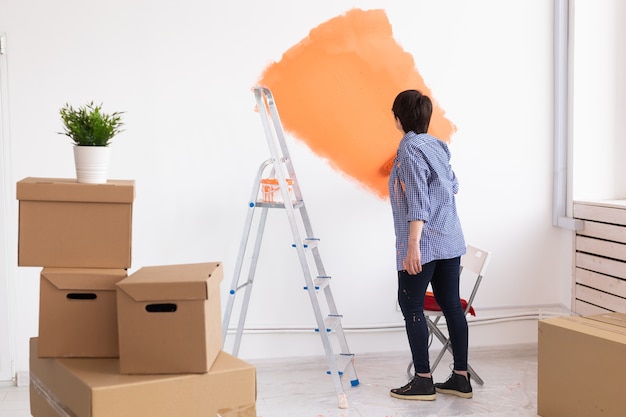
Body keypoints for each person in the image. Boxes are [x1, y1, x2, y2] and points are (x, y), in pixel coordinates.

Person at [387, 89, 471, 401]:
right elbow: (453, 185)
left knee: (410, 305)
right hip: (451, 238)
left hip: (425, 244)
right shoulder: (438, 146)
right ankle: (461, 378)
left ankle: (423, 380)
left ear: (399, 117)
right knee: (451, 306)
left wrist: (412, 247)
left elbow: (419, 202)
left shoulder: (408, 150)